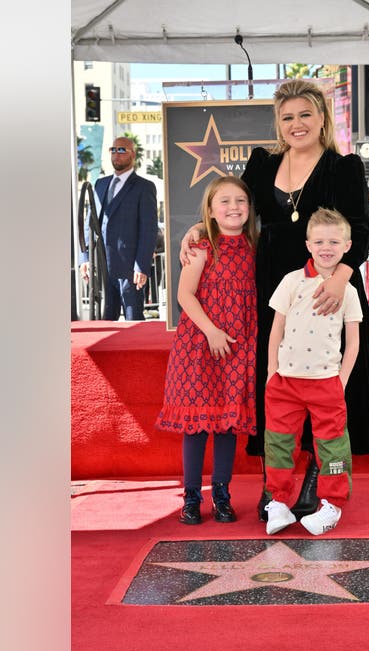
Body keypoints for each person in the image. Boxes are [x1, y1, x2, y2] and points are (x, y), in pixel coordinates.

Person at [181, 79, 369, 520]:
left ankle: (318, 474)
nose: (296, 124)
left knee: (324, 381)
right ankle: (274, 484)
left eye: (304, 115)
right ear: (279, 123)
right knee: (276, 383)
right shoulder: (262, 163)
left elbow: (360, 229)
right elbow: (230, 204)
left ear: (321, 119)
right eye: (287, 117)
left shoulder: (344, 167)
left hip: (326, 287)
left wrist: (341, 279)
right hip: (273, 291)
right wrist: (200, 228)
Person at [156, 176, 258, 524]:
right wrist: (212, 331)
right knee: (197, 426)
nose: (233, 207)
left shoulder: (253, 247)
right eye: (225, 202)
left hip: (237, 346)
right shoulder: (202, 247)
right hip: (200, 344)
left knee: (228, 425)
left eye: (240, 201)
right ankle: (190, 497)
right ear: (211, 211)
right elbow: (185, 295)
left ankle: (221, 494)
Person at [262, 208, 360, 536]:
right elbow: (276, 329)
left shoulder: (348, 290)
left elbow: (354, 341)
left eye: (334, 241)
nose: (326, 247)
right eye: (319, 241)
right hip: (285, 382)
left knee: (332, 445)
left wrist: (341, 380)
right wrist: (271, 372)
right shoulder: (291, 281)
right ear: (308, 244)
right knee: (278, 441)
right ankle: (277, 503)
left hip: (326, 382)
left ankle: (331, 506)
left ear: (347, 246)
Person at [80, 136, 159, 321]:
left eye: (122, 150)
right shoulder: (100, 184)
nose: (116, 154)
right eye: (113, 150)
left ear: (133, 154)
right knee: (104, 327)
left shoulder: (144, 187)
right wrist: (84, 258)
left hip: (130, 272)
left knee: (134, 324)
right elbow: (88, 224)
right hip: (101, 269)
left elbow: (149, 230)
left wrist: (141, 266)